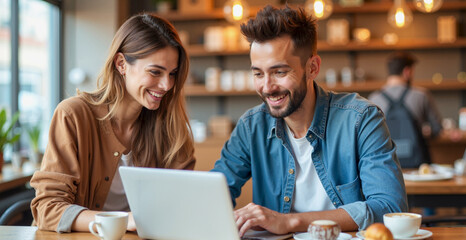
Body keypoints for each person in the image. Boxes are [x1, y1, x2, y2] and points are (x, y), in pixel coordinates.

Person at [211, 5, 407, 237]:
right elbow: (214, 194)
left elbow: (390, 209)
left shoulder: (361, 119)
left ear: (312, 68)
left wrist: (290, 222)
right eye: (258, 73)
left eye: (279, 72)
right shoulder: (251, 127)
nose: (266, 87)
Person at [30, 13, 196, 233]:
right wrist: (122, 220)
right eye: (155, 72)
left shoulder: (171, 129)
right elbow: (47, 208)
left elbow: (181, 206)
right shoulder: (73, 115)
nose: (166, 85)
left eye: (172, 73)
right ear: (121, 64)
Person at [368, 51, 442, 168]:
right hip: (418, 166)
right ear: (407, 71)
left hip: (387, 165)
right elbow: (437, 129)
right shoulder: (421, 95)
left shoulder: (374, 99)